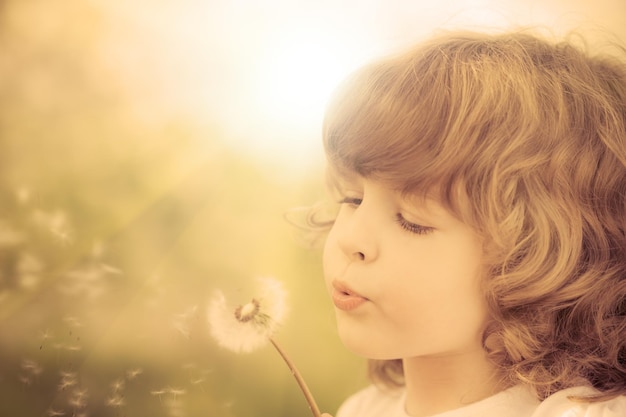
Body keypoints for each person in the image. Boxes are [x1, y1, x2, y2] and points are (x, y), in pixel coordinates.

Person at [313, 29, 626, 417]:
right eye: (353, 199)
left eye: (412, 221)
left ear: (539, 260)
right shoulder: (360, 410)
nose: (351, 238)